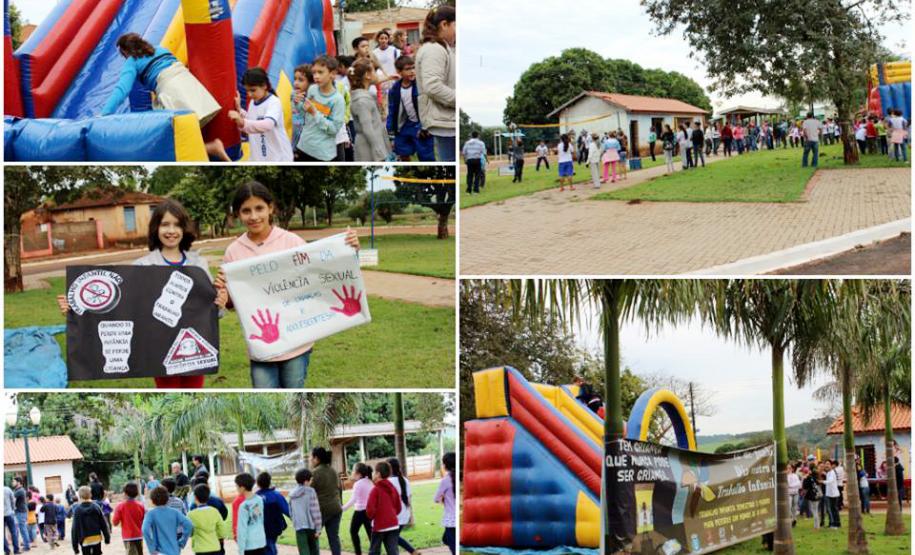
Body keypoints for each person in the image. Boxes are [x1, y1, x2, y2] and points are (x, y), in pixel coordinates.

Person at [55, 198, 227, 388]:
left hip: (194, 348)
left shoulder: (198, 264)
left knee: (194, 395)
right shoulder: (142, 266)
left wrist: (220, 301)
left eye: (177, 225)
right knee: (169, 397)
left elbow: (209, 311)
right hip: (158, 348)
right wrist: (74, 308)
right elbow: (121, 307)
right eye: (165, 224)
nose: (171, 231)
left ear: (184, 228)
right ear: (155, 228)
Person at [214, 182, 359, 388]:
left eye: (259, 208)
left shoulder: (291, 242)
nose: (254, 216)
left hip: (297, 343)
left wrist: (348, 248)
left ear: (270, 208)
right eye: (246, 211)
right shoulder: (234, 251)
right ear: (238, 214)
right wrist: (222, 292)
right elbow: (233, 303)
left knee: (292, 396)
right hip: (262, 347)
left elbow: (319, 274)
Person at [100, 33, 229, 161]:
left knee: (169, 138)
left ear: (125, 51)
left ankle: (210, 148)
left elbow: (122, 89)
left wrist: (105, 113)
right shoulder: (161, 49)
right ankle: (208, 150)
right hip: (188, 82)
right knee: (188, 129)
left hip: (171, 90)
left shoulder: (132, 61)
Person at [415, 6, 456, 161]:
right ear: (444, 24)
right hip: (444, 123)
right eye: (456, 25)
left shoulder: (444, 47)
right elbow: (433, 87)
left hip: (448, 120)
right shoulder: (434, 49)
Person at [228, 68, 293, 162]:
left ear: (264, 86)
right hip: (259, 157)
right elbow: (253, 120)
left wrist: (242, 122)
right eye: (247, 91)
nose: (249, 94)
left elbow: (267, 124)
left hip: (279, 159)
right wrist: (239, 110)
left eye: (253, 90)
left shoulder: (274, 102)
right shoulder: (253, 102)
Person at [295, 56, 346, 162]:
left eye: (320, 72)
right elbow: (304, 113)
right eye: (314, 73)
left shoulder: (338, 100)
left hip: (322, 153)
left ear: (333, 74)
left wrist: (315, 113)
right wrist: (298, 103)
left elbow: (333, 130)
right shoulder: (312, 89)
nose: (316, 76)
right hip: (304, 146)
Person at [387, 56, 434, 162]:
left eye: (413, 68)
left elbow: (429, 106)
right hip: (405, 125)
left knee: (425, 155)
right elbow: (392, 111)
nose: (412, 71)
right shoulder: (395, 89)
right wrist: (391, 132)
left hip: (421, 125)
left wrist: (426, 126)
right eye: (407, 69)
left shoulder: (421, 85)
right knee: (402, 152)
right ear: (399, 72)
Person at [350, 59, 392, 162]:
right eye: (374, 70)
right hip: (368, 149)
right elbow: (367, 129)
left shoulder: (367, 96)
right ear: (367, 75)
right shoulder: (362, 101)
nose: (376, 74)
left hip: (374, 145)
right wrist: (379, 151)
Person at [143, 487, 193, 555]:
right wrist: (182, 542)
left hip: (159, 551)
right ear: (167, 499)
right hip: (174, 550)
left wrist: (151, 548)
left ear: (152, 500)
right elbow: (189, 524)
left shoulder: (151, 514)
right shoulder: (175, 512)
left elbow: (145, 530)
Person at [311, 448, 342, 555]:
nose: (311, 460)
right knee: (334, 538)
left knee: (314, 536)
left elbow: (309, 491)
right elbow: (340, 488)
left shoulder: (315, 473)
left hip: (322, 510)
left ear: (317, 458)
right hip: (336, 508)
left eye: (312, 457)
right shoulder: (333, 470)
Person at [365, 462, 401, 555]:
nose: (373, 474)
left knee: (374, 551)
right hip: (393, 524)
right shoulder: (393, 488)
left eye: (374, 472)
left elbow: (370, 510)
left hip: (379, 525)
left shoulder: (375, 490)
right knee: (393, 551)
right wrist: (390, 515)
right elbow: (398, 507)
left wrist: (373, 516)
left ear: (378, 474)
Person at [385, 459, 417, 555]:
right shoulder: (405, 480)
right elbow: (409, 500)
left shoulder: (387, 482)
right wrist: (411, 516)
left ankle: (413, 551)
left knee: (390, 539)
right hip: (404, 515)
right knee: (393, 538)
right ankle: (413, 551)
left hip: (394, 517)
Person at [188, 485, 230, 555]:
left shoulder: (191, 515)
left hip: (200, 548)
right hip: (215, 546)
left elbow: (190, 532)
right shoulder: (215, 511)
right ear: (208, 497)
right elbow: (222, 531)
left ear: (195, 497)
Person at [288, 469, 322, 555]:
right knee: (314, 550)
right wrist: (318, 529)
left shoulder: (292, 493)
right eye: (311, 480)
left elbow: (291, 511)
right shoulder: (311, 491)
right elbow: (315, 511)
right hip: (311, 527)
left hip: (299, 527)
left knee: (303, 551)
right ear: (306, 481)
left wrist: (295, 522)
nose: (311, 481)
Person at [342, 464, 373, 555]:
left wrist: (342, 508)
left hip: (360, 512)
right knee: (370, 534)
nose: (352, 473)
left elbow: (353, 500)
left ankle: (358, 553)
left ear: (358, 474)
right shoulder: (369, 482)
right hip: (369, 512)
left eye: (353, 471)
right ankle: (374, 552)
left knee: (353, 531)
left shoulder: (358, 484)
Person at [255, 473, 289, 555]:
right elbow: (287, 510)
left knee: (268, 547)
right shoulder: (276, 495)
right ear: (270, 482)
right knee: (270, 546)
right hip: (274, 527)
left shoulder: (255, 497)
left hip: (259, 528)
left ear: (258, 484)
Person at [70, 486, 109, 555]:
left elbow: (74, 528)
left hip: (85, 539)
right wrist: (107, 537)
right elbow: (103, 524)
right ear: (91, 494)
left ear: (79, 496)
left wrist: (75, 547)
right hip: (96, 538)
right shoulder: (96, 507)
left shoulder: (77, 510)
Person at [234, 474, 266, 555]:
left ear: (242, 487)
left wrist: (241, 550)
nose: (236, 488)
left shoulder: (243, 506)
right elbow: (260, 519)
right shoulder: (259, 500)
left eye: (237, 486)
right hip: (261, 541)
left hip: (249, 545)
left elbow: (241, 529)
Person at [111, 483, 144, 555]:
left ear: (125, 493)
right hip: (139, 535)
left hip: (128, 537)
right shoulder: (141, 506)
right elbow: (144, 520)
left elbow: (115, 522)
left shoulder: (120, 506)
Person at [291, 64, 314, 161]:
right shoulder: (293, 95)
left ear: (310, 82)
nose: (296, 83)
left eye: (300, 80)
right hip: (295, 143)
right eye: (295, 79)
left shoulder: (314, 97)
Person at [434, 453, 455, 555]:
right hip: (455, 520)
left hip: (451, 520)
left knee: (452, 546)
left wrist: (442, 498)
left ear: (446, 465)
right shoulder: (456, 478)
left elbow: (436, 498)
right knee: (446, 539)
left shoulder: (446, 480)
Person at [12, 479, 30, 552]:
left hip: (21, 512)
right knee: (23, 528)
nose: (12, 483)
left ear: (18, 482)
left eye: (13, 481)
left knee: (23, 529)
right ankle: (26, 543)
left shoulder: (20, 491)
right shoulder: (18, 490)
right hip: (20, 511)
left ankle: (27, 546)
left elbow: (11, 497)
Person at [802, 463, 822, 530]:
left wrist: (805, 478)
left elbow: (805, 486)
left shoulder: (809, 477)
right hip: (817, 494)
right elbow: (819, 482)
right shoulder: (816, 476)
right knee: (815, 510)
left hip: (813, 495)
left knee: (814, 511)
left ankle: (816, 527)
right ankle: (816, 526)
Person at [824, 460, 840, 528]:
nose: (826, 465)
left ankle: (835, 523)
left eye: (828, 464)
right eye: (826, 464)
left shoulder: (832, 472)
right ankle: (832, 522)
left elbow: (830, 481)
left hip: (834, 494)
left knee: (833, 509)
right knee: (830, 509)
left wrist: (822, 481)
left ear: (831, 465)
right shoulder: (828, 473)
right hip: (829, 494)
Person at [4, 484, 20, 555]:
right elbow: (13, 499)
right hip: (9, 513)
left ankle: (7, 551)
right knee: (13, 531)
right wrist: (13, 508)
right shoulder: (7, 489)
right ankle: (16, 550)